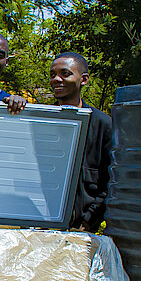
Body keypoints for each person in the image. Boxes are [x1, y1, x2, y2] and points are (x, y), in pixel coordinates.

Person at [48, 52, 112, 231]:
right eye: (53, 75)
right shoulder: (41, 120)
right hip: (43, 226)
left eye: (65, 74)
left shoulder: (103, 124)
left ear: (83, 79)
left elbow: (111, 180)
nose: (56, 79)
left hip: (83, 230)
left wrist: (88, 220)